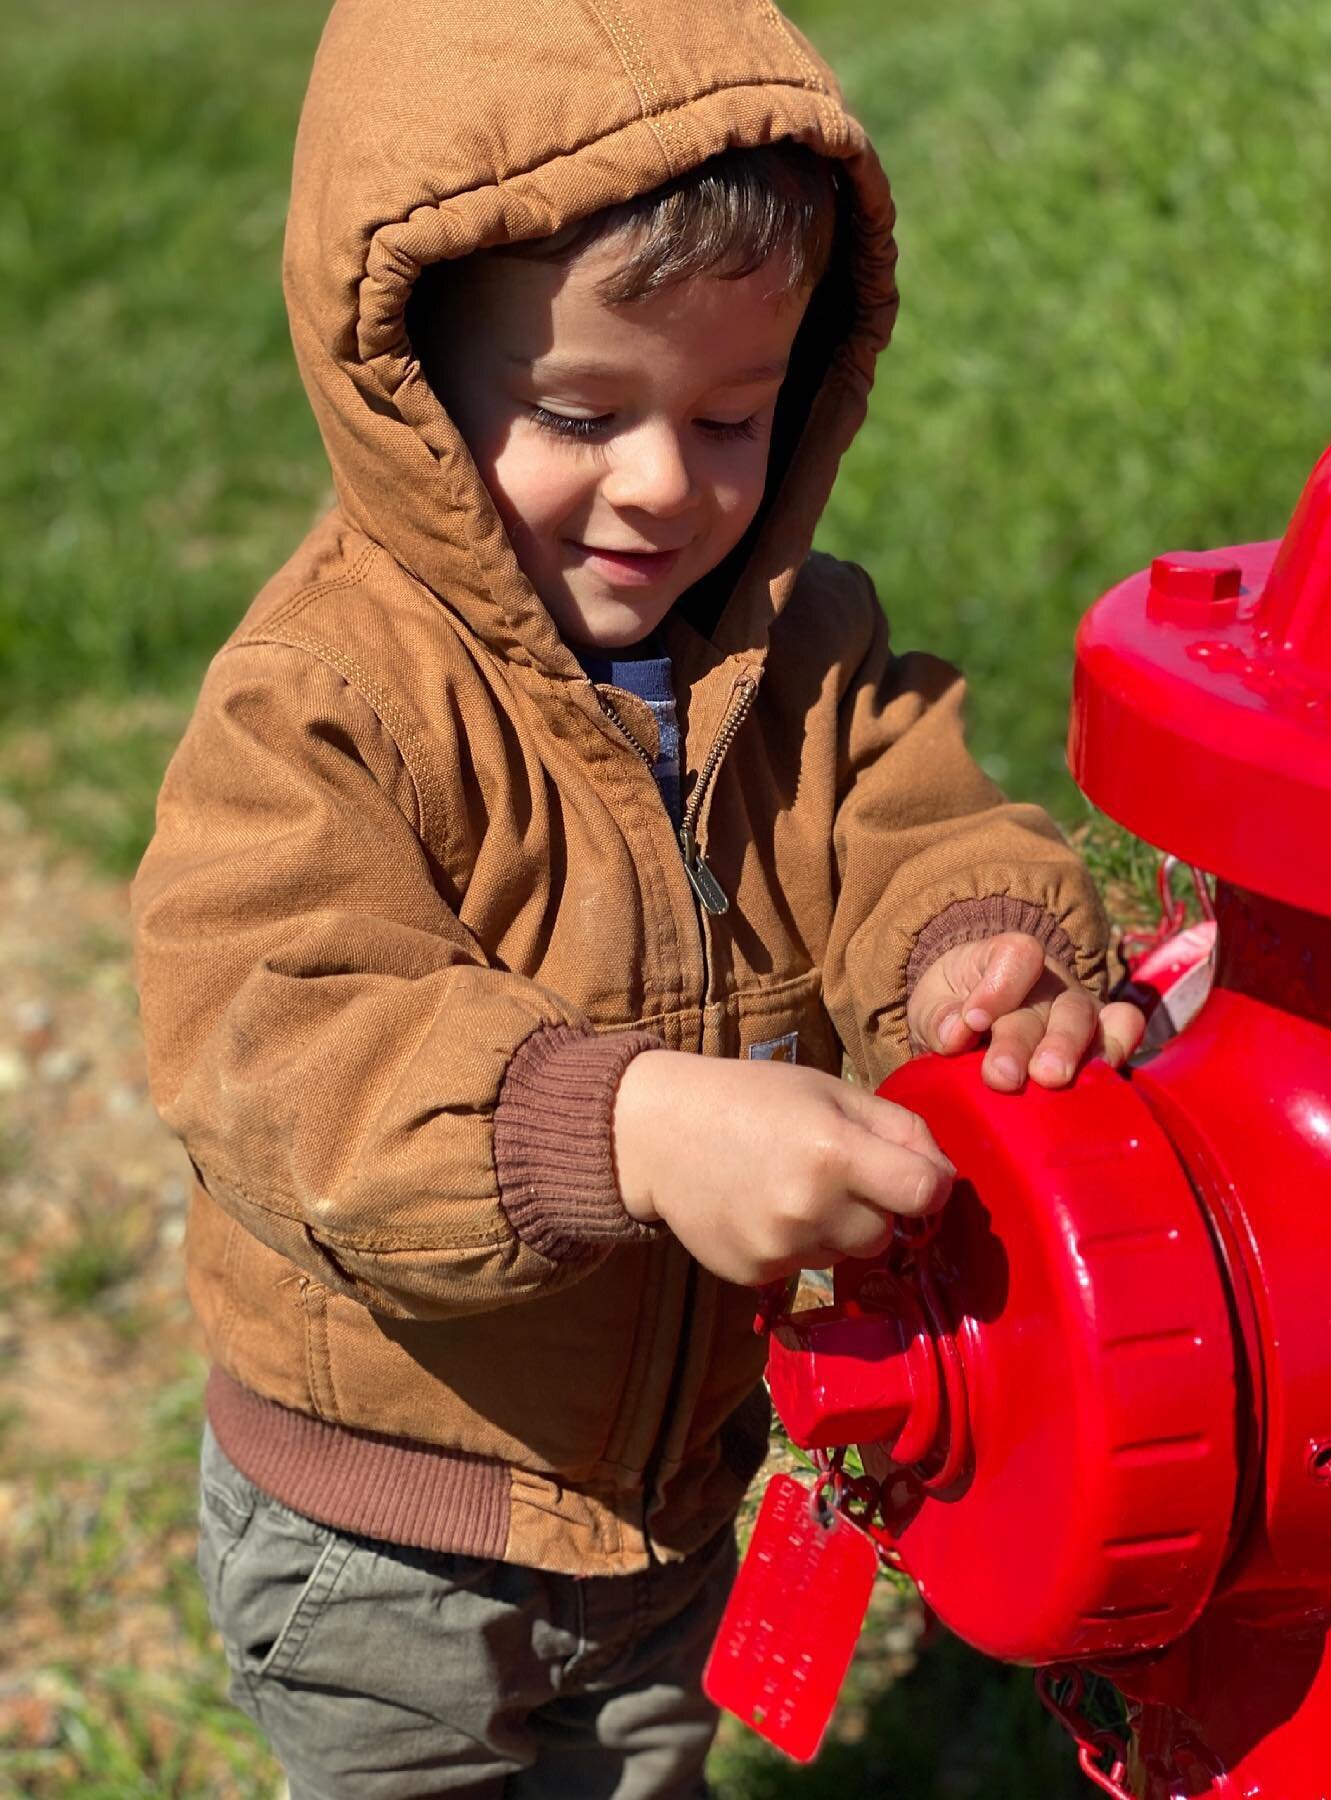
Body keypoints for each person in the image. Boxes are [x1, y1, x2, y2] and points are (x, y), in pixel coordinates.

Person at [132, 0, 1142, 1793]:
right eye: (580, 412)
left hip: (681, 1494)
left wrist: (977, 957)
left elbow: (916, 823)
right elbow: (288, 1041)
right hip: (390, 1536)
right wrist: (634, 1125)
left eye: (735, 415)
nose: (668, 485)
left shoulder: (801, 645)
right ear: (409, 387)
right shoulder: (332, 700)